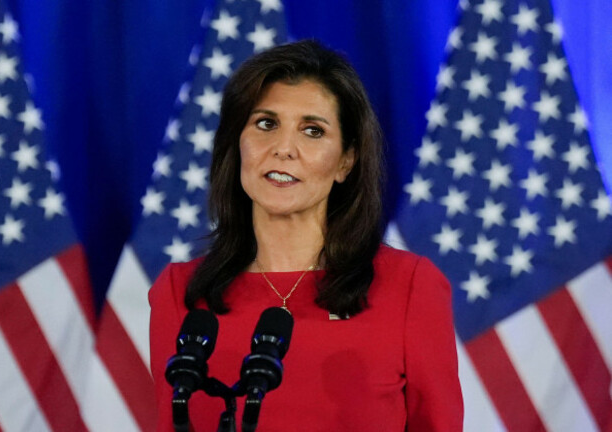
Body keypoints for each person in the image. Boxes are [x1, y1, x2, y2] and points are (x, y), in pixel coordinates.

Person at [149, 39, 463, 431]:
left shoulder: (409, 287)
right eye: (266, 123)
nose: (283, 148)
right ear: (237, 142)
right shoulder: (180, 292)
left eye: (312, 131)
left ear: (346, 161)